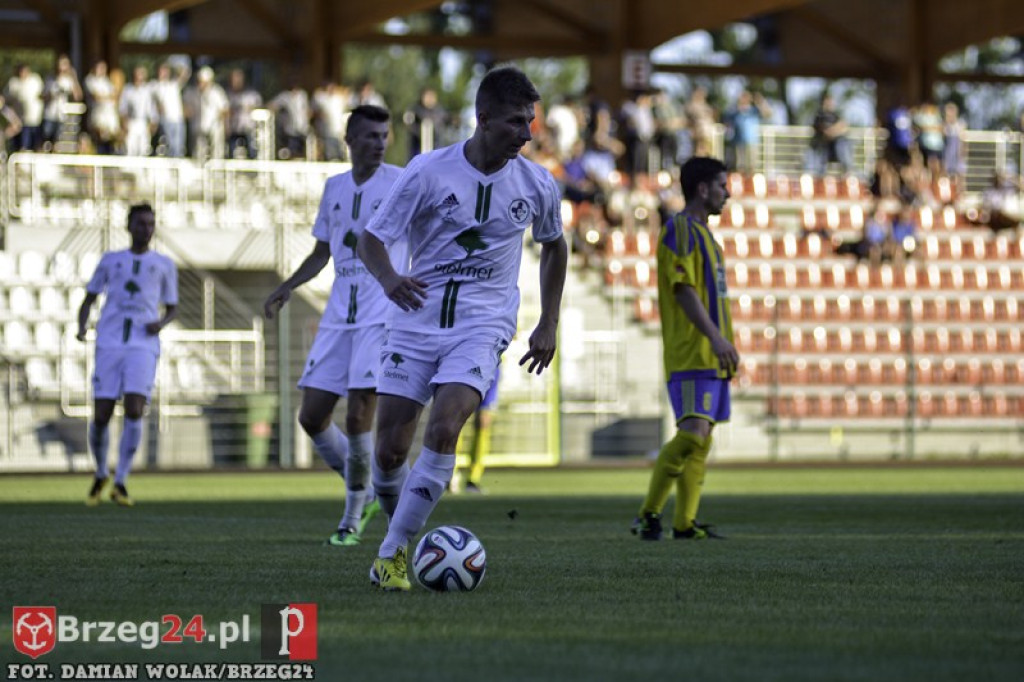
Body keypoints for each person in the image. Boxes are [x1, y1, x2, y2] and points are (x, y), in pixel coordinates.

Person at [357, 65, 568, 591]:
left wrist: (548, 320)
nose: (527, 133)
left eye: (531, 122)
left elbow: (554, 246)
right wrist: (389, 280)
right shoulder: (429, 171)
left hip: (482, 323)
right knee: (388, 454)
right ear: (483, 118)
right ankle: (400, 528)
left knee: (446, 426)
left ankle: (391, 555)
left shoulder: (537, 183)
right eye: (517, 123)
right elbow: (372, 239)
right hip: (414, 319)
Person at [262, 105, 401, 546]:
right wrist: (287, 285)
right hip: (340, 311)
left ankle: (352, 514)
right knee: (312, 415)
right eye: (370, 136)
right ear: (350, 140)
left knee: (360, 413)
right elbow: (322, 252)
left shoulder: (400, 183)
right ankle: (370, 485)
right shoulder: (334, 187)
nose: (379, 143)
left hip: (382, 311)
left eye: (384, 135)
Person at [632, 156, 738, 541]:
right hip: (691, 352)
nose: (728, 193)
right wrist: (714, 336)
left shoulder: (707, 236)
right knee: (693, 433)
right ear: (703, 188)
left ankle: (684, 523)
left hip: (711, 355)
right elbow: (683, 290)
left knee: (702, 438)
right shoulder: (680, 230)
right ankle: (648, 514)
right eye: (723, 185)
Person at [77, 204, 179, 507]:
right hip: (109, 342)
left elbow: (172, 307)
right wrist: (81, 327)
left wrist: (159, 323)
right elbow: (89, 298)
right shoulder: (111, 260)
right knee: (102, 414)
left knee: (135, 408)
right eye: (140, 223)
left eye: (150, 224)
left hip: (143, 345)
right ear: (128, 225)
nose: (145, 229)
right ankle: (99, 472)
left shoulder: (164, 264)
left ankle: (120, 481)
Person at [451, 364, 501, 494]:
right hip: (463, 369)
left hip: (489, 369)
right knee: (454, 424)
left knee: (482, 424)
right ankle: (450, 474)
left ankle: (473, 479)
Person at [808, 92, 851, 175]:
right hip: (822, 146)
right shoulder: (819, 115)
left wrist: (834, 131)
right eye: (828, 101)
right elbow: (826, 132)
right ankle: (819, 176)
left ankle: (847, 172)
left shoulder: (835, 115)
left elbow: (845, 127)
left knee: (843, 142)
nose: (831, 103)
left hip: (835, 147)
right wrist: (837, 129)